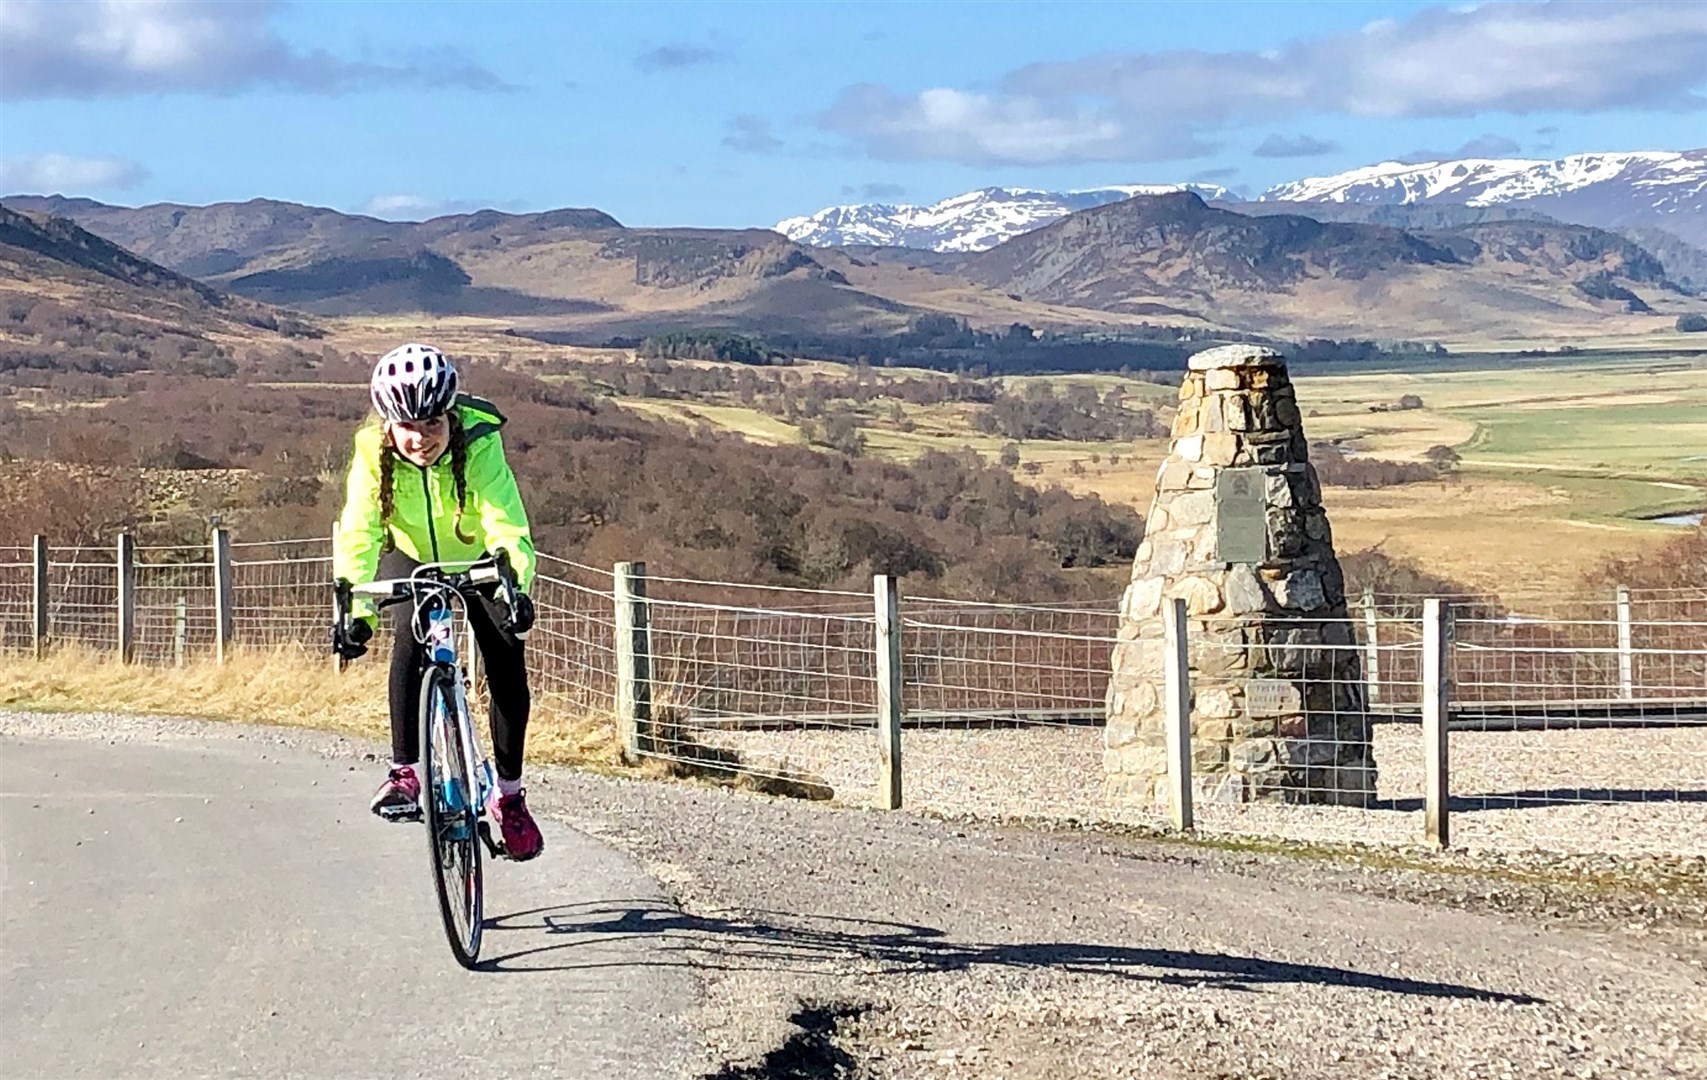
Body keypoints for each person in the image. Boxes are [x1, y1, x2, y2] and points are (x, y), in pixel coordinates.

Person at [331, 342, 544, 861]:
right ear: (388, 425)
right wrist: (355, 612)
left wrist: (514, 585)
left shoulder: (479, 439)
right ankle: (406, 773)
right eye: (407, 426)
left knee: (506, 662)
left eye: (431, 425)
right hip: (413, 558)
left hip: (477, 557)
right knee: (410, 639)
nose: (419, 438)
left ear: (450, 416)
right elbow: (359, 531)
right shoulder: (371, 452)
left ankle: (509, 798)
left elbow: (505, 519)